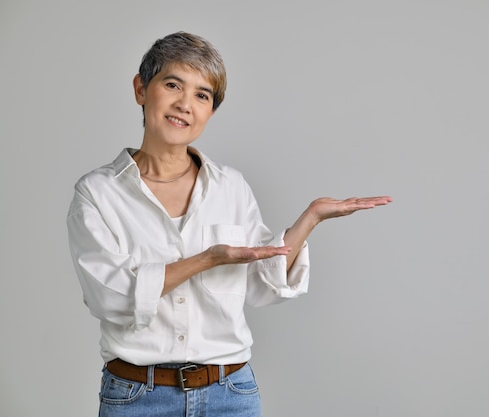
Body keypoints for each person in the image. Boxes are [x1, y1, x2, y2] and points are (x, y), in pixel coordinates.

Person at [67, 31, 392, 417]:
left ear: (210, 112)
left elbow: (259, 285)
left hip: (230, 394)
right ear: (141, 89)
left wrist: (310, 219)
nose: (185, 104)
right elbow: (113, 298)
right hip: (137, 397)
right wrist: (207, 259)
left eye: (202, 95)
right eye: (173, 84)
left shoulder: (231, 187)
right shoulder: (98, 193)